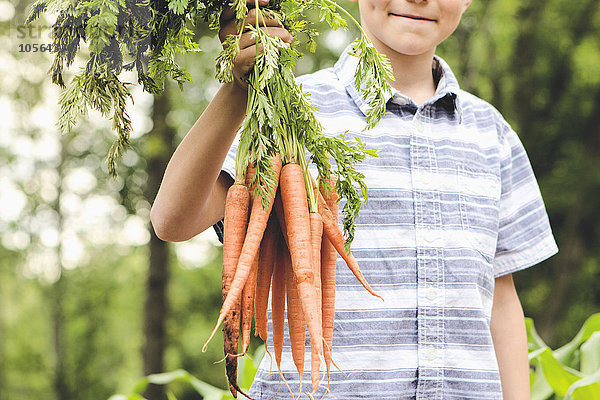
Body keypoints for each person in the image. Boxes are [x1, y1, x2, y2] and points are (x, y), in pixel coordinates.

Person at [150, 0, 558, 398]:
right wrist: (237, 91)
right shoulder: (290, 109)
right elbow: (173, 221)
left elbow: (501, 298)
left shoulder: (492, 133)